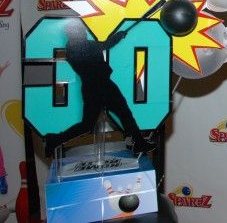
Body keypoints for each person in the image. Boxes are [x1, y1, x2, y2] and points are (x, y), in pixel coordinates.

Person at [44, 19, 154, 156]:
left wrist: (116, 37)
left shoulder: (71, 50)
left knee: (88, 124)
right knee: (123, 113)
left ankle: (55, 139)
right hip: (102, 86)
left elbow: (103, 45)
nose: (85, 33)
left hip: (92, 88)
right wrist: (118, 36)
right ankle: (138, 142)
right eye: (81, 31)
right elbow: (106, 45)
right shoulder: (82, 47)